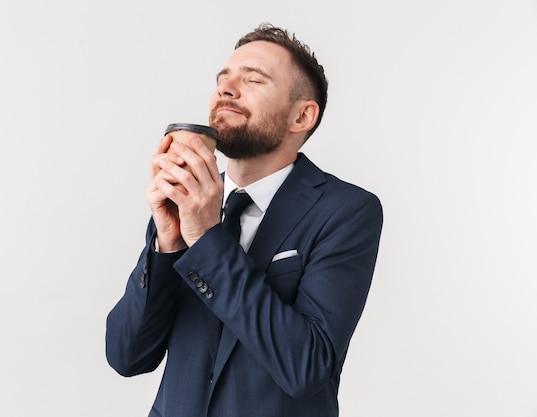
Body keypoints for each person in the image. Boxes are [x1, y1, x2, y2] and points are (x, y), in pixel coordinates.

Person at [106, 23, 383, 417]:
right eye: (223, 79)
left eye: (253, 79)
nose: (227, 89)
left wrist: (206, 237)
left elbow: (306, 367)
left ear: (301, 116)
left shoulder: (346, 211)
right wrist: (166, 243)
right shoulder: (185, 204)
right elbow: (126, 355)